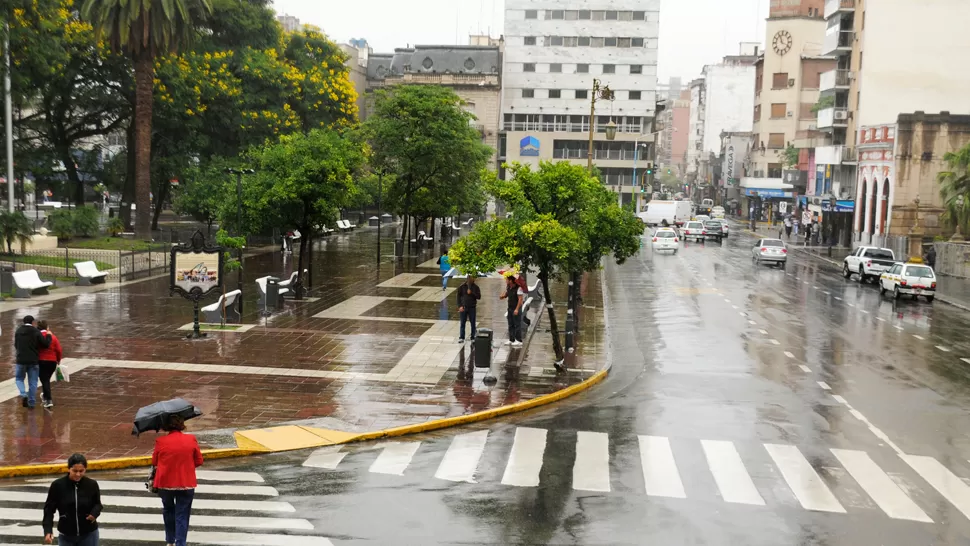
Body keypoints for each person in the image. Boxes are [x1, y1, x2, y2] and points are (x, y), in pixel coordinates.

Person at [153, 415, 204, 546]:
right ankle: (180, 543)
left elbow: (155, 462)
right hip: (186, 483)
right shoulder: (191, 439)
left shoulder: (161, 441)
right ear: (181, 424)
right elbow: (199, 461)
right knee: (182, 513)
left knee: (168, 510)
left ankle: (170, 541)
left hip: (165, 484)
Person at [43, 453, 102, 546]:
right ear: (69, 469)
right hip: (66, 535)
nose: (78, 474)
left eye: (81, 471)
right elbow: (49, 510)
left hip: (89, 534)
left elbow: (98, 504)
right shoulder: (57, 486)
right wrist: (48, 531)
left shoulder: (92, 484)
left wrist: (94, 514)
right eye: (75, 471)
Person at [15, 315, 52, 409]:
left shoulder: (18, 331)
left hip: (21, 360)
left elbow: (16, 345)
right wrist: (48, 335)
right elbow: (45, 344)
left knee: (19, 379)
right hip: (33, 361)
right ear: (33, 322)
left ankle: (23, 394)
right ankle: (31, 403)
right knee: (33, 382)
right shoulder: (36, 331)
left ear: (23, 322)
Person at [37, 320, 63, 409]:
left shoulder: (37, 337)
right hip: (52, 362)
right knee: (46, 380)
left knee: (45, 380)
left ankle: (48, 400)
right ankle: (45, 396)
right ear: (47, 327)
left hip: (41, 361)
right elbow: (59, 349)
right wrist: (58, 360)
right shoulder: (53, 337)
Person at [499, 273, 525, 347]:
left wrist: (517, 309)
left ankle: (519, 340)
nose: (505, 281)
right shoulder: (508, 287)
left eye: (507, 279)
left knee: (517, 324)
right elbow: (507, 294)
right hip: (510, 308)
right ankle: (511, 339)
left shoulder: (518, 288)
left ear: (511, 280)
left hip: (516, 308)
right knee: (510, 324)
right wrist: (503, 296)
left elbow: (520, 300)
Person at [455, 274, 481, 343]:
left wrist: (471, 293)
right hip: (463, 307)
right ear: (468, 278)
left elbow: (478, 297)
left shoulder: (476, 287)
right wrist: (459, 306)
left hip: (472, 307)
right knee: (462, 323)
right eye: (472, 278)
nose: (473, 279)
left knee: (473, 323)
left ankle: (473, 337)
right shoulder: (462, 287)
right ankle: (461, 337)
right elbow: (458, 296)